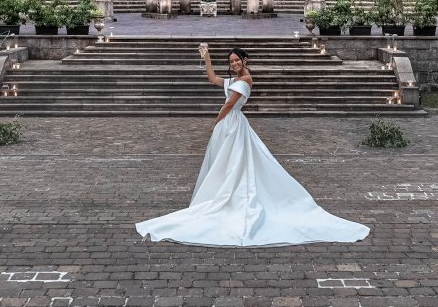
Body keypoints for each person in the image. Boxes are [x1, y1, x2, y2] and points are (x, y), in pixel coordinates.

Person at [135, 46, 370, 247]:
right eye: (231, 61)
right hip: (230, 124)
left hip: (232, 124)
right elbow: (212, 79)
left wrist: (215, 123)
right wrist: (206, 57)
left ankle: (232, 196)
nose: (234, 64)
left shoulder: (245, 81)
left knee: (235, 161)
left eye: (237, 60)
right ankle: (221, 192)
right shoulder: (234, 80)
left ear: (244, 61)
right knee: (224, 161)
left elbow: (229, 106)